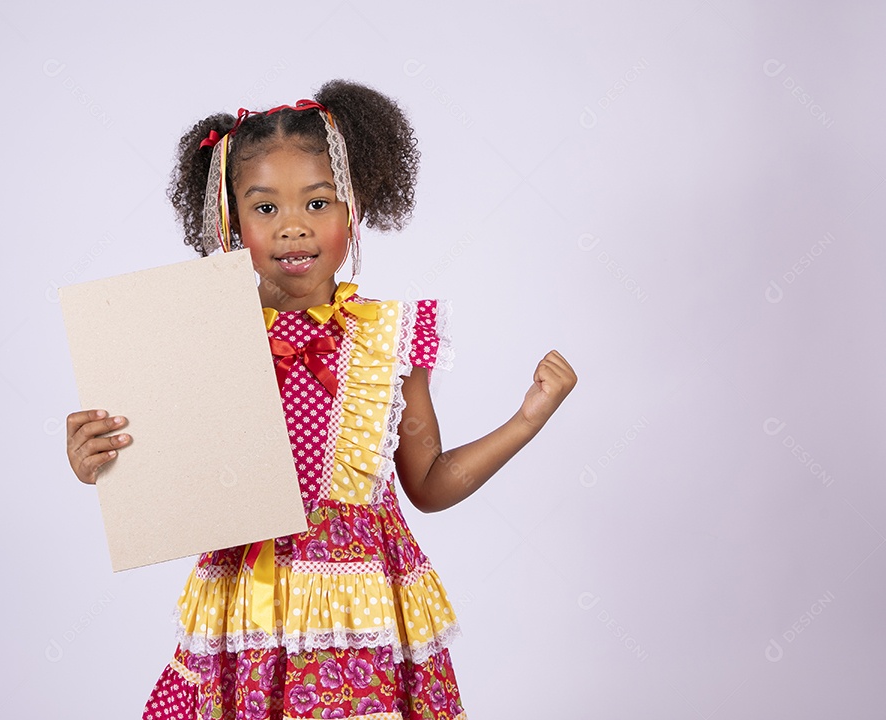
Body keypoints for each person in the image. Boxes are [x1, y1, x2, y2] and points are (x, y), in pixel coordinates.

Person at [66, 79, 577, 719]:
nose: (293, 229)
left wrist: (526, 419)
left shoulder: (388, 340)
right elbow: (165, 474)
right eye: (265, 208)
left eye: (317, 202)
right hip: (245, 614)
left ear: (353, 209)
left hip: (357, 621)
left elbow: (430, 483)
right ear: (230, 222)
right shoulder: (197, 339)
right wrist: (100, 461)